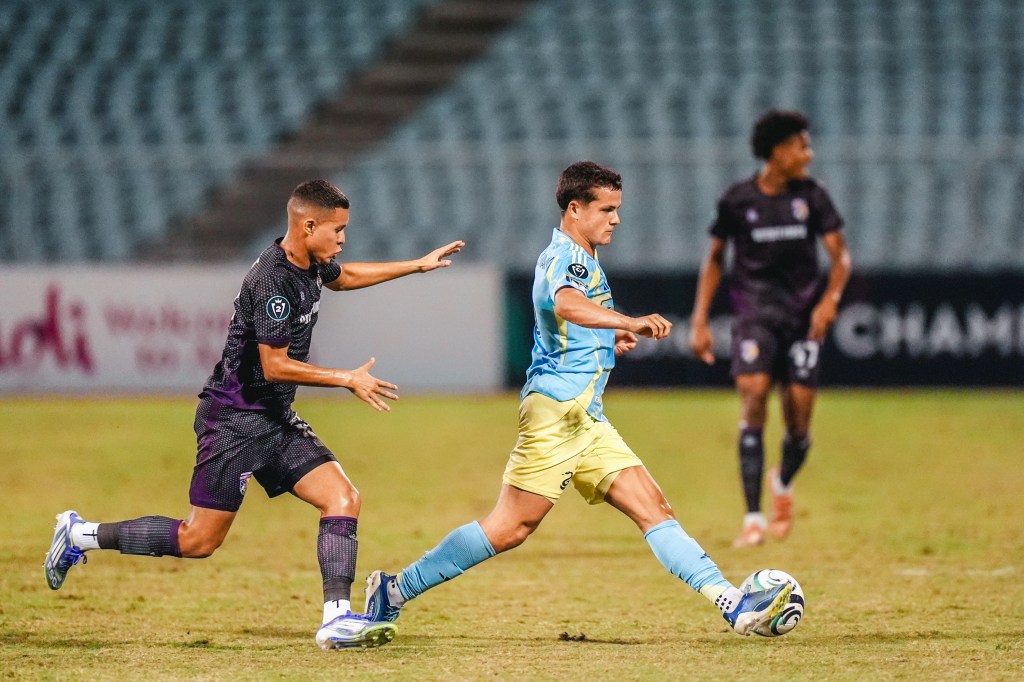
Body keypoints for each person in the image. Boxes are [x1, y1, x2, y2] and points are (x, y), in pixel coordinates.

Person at [361, 161, 794, 637]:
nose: (616, 219)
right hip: (557, 413)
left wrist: (608, 338)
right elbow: (565, 302)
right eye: (606, 209)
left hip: (584, 417)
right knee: (509, 527)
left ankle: (733, 604)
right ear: (574, 209)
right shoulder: (567, 257)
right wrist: (627, 321)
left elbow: (568, 320)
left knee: (654, 510)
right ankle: (394, 591)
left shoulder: (579, 256)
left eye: (617, 209)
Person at [43, 179, 465, 651]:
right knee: (198, 541)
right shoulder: (271, 281)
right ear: (309, 226)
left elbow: (344, 277)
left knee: (343, 498)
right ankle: (79, 534)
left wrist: (416, 265)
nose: (344, 239)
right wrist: (345, 378)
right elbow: (274, 365)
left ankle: (337, 619)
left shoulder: (311, 264)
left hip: (275, 417)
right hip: (233, 421)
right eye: (338, 230)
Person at [688, 109, 852, 548]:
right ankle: (753, 518)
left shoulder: (813, 196)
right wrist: (700, 319)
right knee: (754, 395)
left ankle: (781, 483)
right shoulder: (737, 200)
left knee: (798, 420)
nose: (808, 154)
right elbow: (715, 259)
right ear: (777, 152)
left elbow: (840, 257)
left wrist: (830, 301)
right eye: (801, 145)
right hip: (754, 317)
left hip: (802, 322)